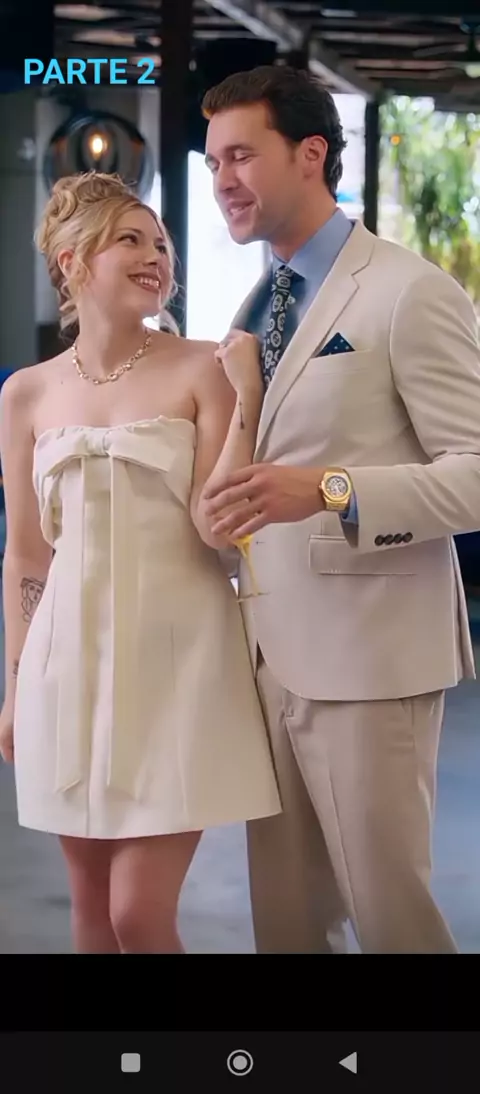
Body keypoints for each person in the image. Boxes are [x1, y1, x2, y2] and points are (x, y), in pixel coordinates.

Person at [201, 64, 480, 954]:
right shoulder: (258, 303)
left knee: (393, 922)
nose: (222, 180)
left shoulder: (408, 291)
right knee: (285, 926)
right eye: (212, 162)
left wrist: (329, 488)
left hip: (371, 659)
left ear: (311, 153)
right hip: (266, 658)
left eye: (241, 156)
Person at [0, 171, 281, 954]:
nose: (156, 256)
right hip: (66, 669)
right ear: (71, 262)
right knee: (91, 911)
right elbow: (26, 554)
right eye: (131, 240)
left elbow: (218, 531)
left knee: (137, 913)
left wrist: (247, 399)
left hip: (180, 664)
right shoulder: (25, 394)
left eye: (161, 244)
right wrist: (17, 689)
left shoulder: (202, 369)